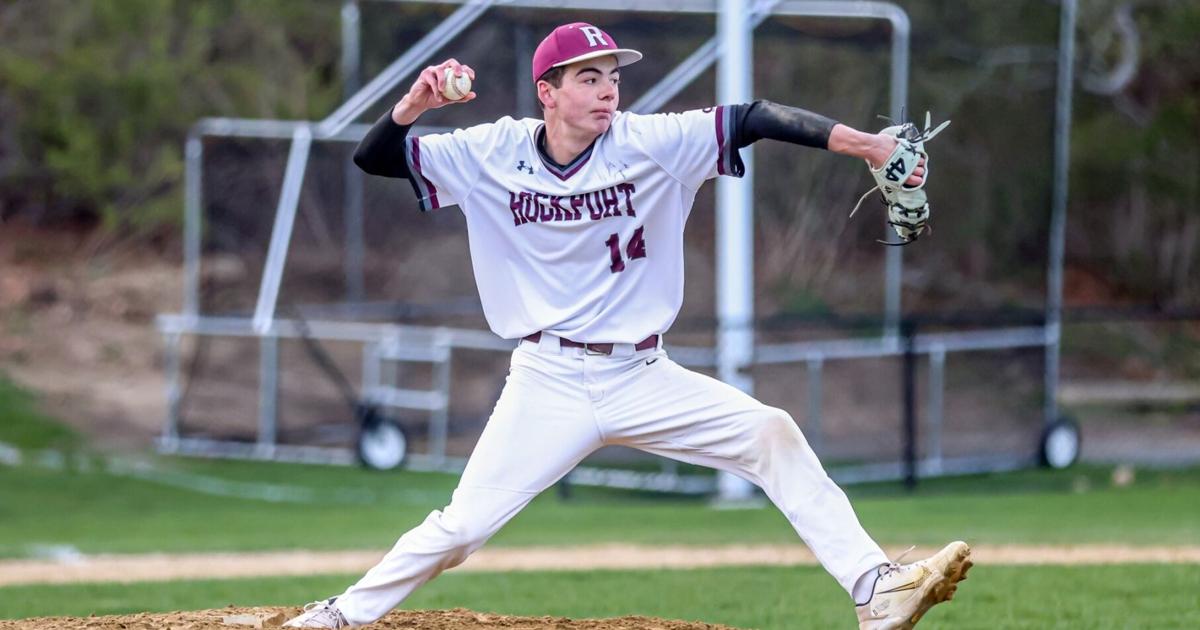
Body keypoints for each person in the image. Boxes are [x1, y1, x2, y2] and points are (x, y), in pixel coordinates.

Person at [284, 22, 971, 630]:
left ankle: (875, 589)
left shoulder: (651, 142)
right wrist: (413, 107)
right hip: (547, 379)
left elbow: (754, 117)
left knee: (770, 432)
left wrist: (868, 146)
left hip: (643, 374)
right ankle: (341, 615)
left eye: (612, 76)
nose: (607, 89)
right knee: (462, 528)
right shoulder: (490, 151)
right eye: (588, 78)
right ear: (547, 92)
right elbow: (375, 158)